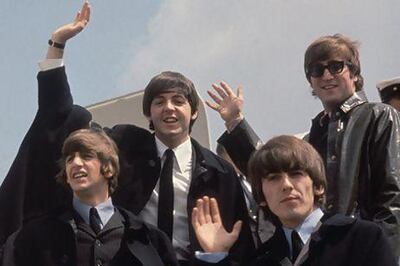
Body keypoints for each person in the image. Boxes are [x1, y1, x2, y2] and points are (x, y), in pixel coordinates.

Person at [0, 2, 254, 265]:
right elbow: (60, 119)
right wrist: (57, 46)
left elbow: (242, 235)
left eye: (178, 101)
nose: (169, 108)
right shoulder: (123, 146)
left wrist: (236, 121)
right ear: (148, 114)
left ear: (194, 112)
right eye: (159, 102)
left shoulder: (219, 173)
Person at [206, 34, 400, 256]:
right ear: (310, 81)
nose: (327, 75)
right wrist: (235, 122)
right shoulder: (318, 129)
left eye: (336, 67)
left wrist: (381, 253)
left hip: (359, 248)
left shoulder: (379, 115)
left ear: (354, 73)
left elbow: (391, 195)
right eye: (317, 70)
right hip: (320, 247)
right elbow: (271, 168)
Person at [192, 136, 397, 266]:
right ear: (261, 197)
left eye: (296, 173)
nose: (287, 185)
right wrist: (216, 256)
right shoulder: (263, 259)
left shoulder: (360, 238)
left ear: (318, 185)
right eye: (273, 178)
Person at [2, 128, 178, 266]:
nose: (76, 164)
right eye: (69, 159)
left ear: (108, 168)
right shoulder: (32, 238)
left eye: (86, 156)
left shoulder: (150, 240)